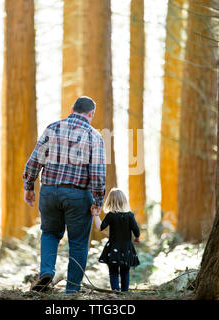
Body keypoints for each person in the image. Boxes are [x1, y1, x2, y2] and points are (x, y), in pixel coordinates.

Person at [23, 96, 106, 294]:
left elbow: (34, 160)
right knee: (78, 241)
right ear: (91, 114)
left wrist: (29, 186)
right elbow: (97, 173)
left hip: (49, 192)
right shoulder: (94, 136)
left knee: (50, 233)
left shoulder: (52, 128)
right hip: (78, 195)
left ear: (72, 109)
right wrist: (98, 200)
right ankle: (72, 290)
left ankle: (46, 272)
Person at [92, 188, 140, 292]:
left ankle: (115, 292)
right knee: (125, 272)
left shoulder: (111, 215)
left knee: (113, 272)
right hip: (127, 249)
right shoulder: (130, 216)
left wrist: (96, 216)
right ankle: (124, 292)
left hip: (113, 248)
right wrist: (137, 238)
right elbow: (136, 229)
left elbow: (100, 227)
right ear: (124, 201)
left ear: (110, 201)